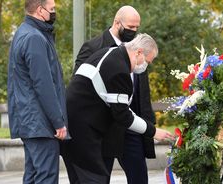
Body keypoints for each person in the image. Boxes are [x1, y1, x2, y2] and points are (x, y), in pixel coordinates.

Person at [64, 33, 175, 184]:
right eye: (148, 61)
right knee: (95, 179)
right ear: (139, 52)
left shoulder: (108, 53)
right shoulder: (119, 70)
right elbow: (122, 115)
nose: (146, 66)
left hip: (73, 128)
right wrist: (153, 131)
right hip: (83, 134)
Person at [7, 0, 69, 183]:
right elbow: (43, 84)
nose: (54, 13)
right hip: (40, 123)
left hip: (30, 120)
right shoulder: (34, 37)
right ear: (40, 10)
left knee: (33, 175)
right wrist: (58, 122)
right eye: (52, 9)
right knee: (46, 176)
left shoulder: (23, 32)